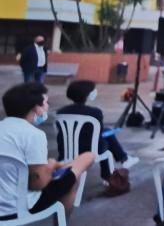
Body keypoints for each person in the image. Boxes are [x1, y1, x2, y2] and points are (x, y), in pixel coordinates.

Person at [0, 82, 95, 220]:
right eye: (46, 102)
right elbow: (38, 184)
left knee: (68, 172)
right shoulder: (34, 135)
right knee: (86, 159)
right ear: (36, 108)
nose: (47, 107)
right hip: (17, 208)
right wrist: (50, 166)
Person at [56, 81, 139, 180]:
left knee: (105, 133)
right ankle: (120, 162)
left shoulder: (61, 112)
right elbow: (98, 134)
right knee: (106, 137)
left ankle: (123, 159)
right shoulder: (95, 112)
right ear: (88, 94)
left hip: (66, 150)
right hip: (89, 152)